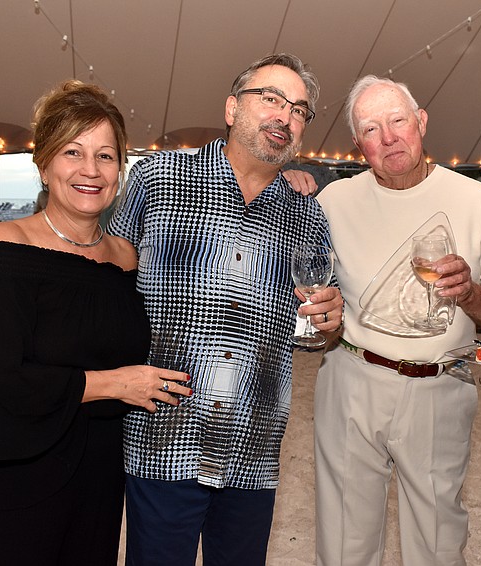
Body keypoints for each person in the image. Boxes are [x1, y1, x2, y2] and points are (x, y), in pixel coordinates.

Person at [0, 80, 193, 566]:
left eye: (106, 156)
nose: (90, 171)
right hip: (13, 471)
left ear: (121, 168)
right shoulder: (8, 245)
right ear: (44, 163)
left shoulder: (125, 258)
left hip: (97, 474)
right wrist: (114, 383)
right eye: (73, 152)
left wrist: (278, 179)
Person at [107, 53, 343, 566]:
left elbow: (319, 330)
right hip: (163, 438)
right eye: (272, 99)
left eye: (299, 109)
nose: (285, 116)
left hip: (253, 449)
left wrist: (329, 320)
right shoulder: (156, 179)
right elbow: (108, 282)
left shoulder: (308, 215)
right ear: (233, 108)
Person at [314, 75, 481, 565]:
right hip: (351, 380)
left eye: (398, 121)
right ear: (357, 143)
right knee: (343, 541)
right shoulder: (333, 203)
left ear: (421, 122)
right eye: (370, 128)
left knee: (438, 540)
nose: (388, 138)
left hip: (439, 387)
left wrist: (470, 292)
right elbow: (311, 293)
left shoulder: (474, 200)